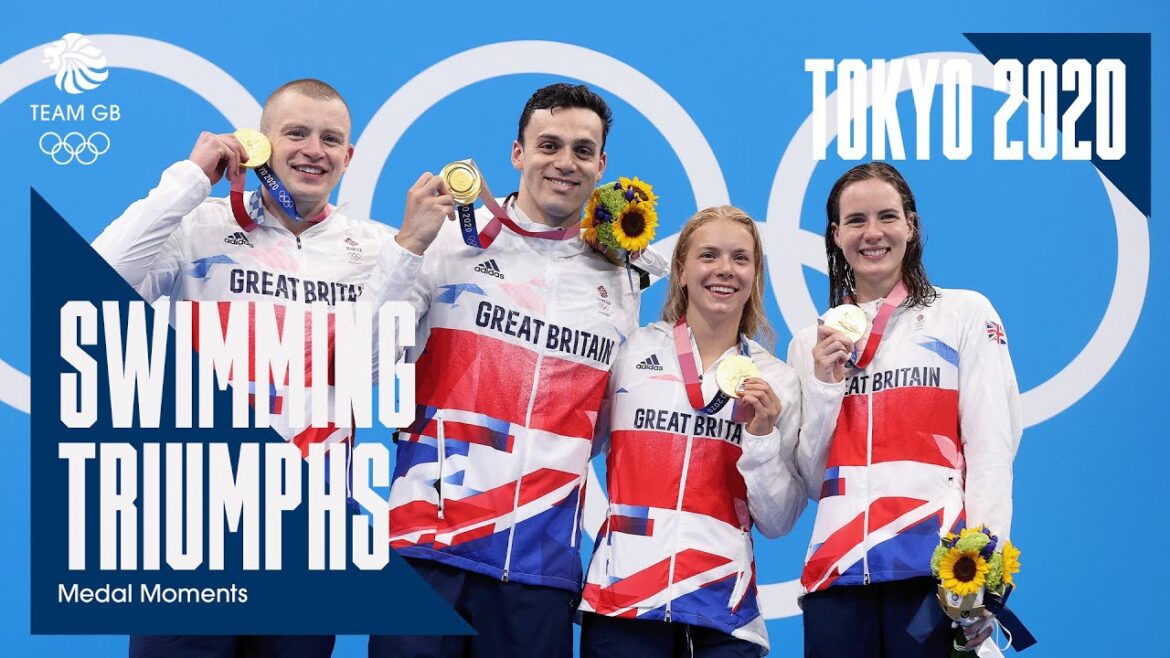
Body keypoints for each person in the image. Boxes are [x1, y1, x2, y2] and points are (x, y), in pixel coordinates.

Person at [93, 78, 406, 658]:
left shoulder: (380, 250)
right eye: (295, 133)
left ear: (349, 156)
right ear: (259, 143)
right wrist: (188, 181)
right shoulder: (199, 226)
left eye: (330, 138)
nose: (314, 149)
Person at [364, 83, 646, 658]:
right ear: (517, 153)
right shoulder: (446, 238)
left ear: (602, 165)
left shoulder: (619, 281)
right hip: (427, 547)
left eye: (582, 150)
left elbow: (597, 423)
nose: (565, 163)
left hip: (538, 566)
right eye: (549, 144)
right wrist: (407, 247)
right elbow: (362, 363)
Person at [787, 162, 1021, 657]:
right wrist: (827, 388)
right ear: (835, 235)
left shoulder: (964, 314)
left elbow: (991, 450)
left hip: (934, 571)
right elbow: (811, 480)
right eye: (855, 221)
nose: (873, 233)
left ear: (910, 226)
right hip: (838, 575)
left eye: (887, 217)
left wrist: (984, 571)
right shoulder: (811, 341)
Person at [578, 206, 806, 658]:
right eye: (709, 256)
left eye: (740, 259)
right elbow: (576, 441)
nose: (724, 269)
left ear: (755, 275)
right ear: (680, 271)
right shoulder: (632, 351)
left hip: (724, 611)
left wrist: (760, 437)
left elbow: (779, 521)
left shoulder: (776, 380)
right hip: (623, 601)